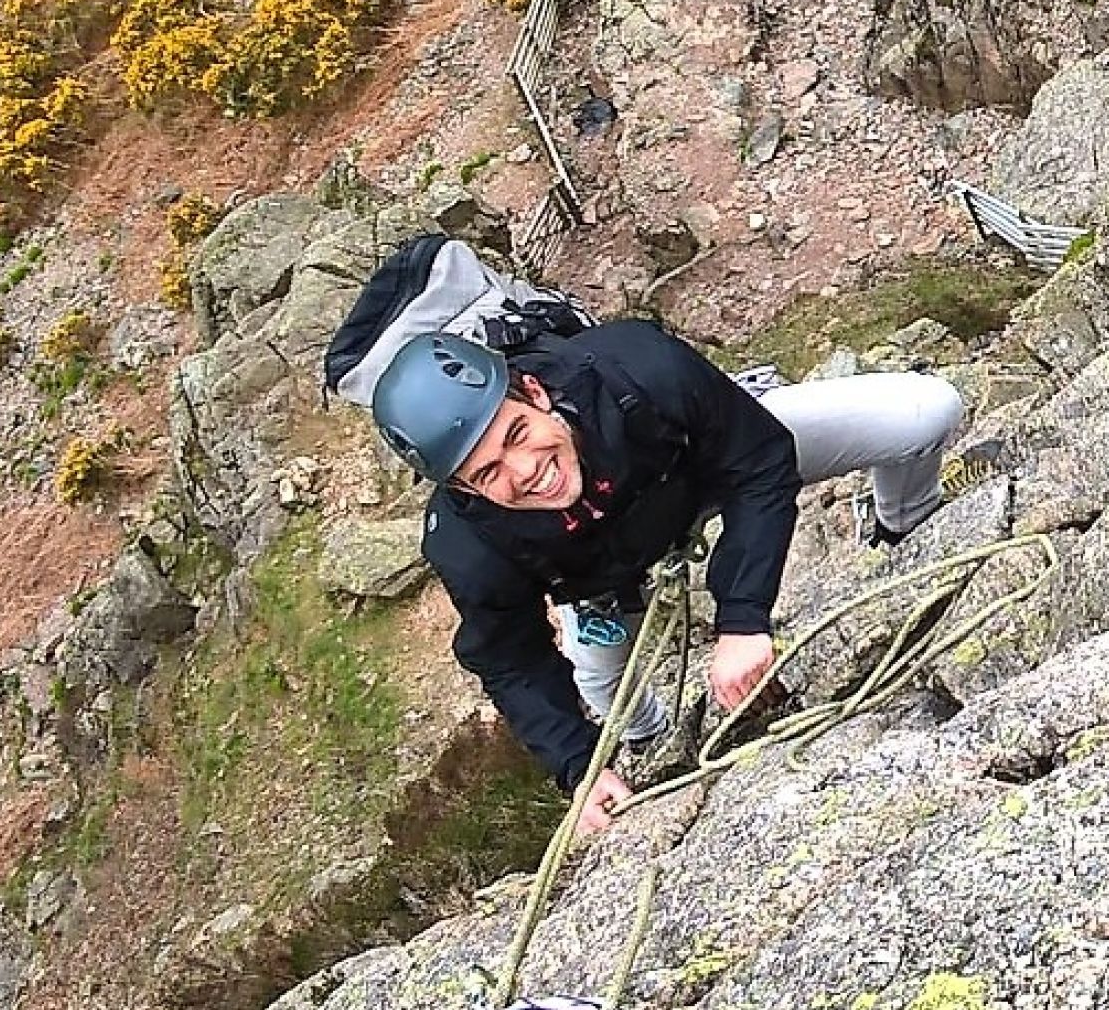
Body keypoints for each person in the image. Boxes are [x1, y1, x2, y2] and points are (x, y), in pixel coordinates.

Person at [368, 323, 964, 835]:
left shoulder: (638, 368)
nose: (527, 472)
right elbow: (511, 658)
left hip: (702, 471)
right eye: (489, 472)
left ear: (534, 391)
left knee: (926, 409)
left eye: (516, 434)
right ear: (465, 489)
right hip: (600, 578)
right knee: (608, 689)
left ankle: (901, 525)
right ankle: (652, 738)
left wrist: (742, 615)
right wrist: (578, 764)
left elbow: (758, 462)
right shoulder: (469, 544)